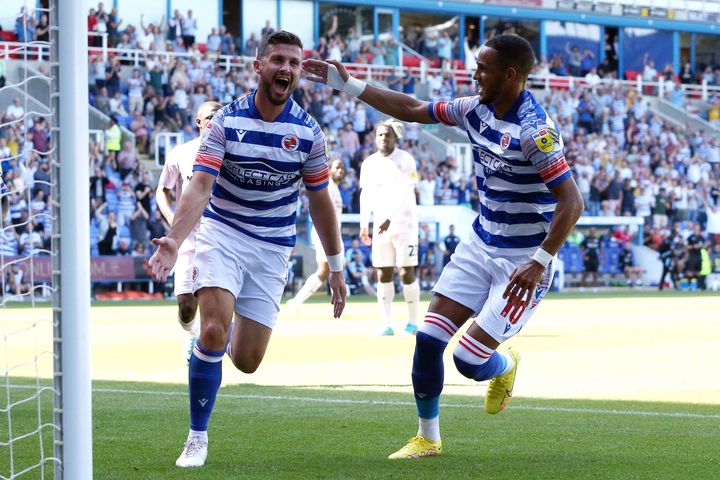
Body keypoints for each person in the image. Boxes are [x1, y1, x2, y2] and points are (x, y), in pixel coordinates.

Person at [303, 34, 583, 459]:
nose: (475, 74)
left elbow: (572, 201)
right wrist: (351, 85)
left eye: (483, 68)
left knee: (469, 361)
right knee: (429, 339)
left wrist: (541, 261)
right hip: (479, 243)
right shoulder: (474, 109)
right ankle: (427, 437)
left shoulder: (534, 132)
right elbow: (413, 109)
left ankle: (505, 366)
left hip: (522, 262)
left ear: (510, 75)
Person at [149, 31, 347, 468]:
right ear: (258, 66)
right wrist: (175, 240)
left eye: (294, 63)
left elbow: (320, 201)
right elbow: (199, 186)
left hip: (272, 246)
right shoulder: (225, 123)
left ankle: (203, 350)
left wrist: (335, 266)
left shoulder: (309, 133)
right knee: (215, 330)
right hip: (221, 234)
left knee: (247, 361)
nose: (287, 69)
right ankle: (196, 438)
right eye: (278, 60)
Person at [156, 101, 222, 363]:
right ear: (199, 122)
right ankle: (192, 331)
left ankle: (209, 345)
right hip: (187, 238)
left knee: (217, 300)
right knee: (185, 306)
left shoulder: (233, 153)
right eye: (210, 117)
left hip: (220, 235)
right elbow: (162, 191)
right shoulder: (181, 153)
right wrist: (174, 222)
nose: (215, 120)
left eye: (220, 116)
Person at [359, 120, 420, 336]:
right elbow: (365, 195)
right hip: (380, 227)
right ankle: (386, 324)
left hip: (405, 225)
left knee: (406, 272)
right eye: (380, 135)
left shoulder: (407, 160)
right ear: (375, 138)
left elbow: (407, 192)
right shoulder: (368, 164)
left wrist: (389, 218)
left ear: (396, 137)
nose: (384, 138)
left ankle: (413, 322)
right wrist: (364, 223)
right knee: (382, 273)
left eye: (388, 135)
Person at [286, 159, 346, 310]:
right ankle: (295, 302)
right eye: (337, 167)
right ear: (330, 170)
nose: (340, 170)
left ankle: (297, 302)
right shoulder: (327, 186)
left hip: (334, 234)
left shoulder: (335, 188)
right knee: (324, 270)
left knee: (329, 270)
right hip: (324, 234)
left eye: (342, 168)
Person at [580, 227, 602, 292]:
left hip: (595, 258)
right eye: (591, 231)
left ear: (595, 232)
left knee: (595, 273)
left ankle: (595, 288)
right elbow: (582, 248)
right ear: (589, 231)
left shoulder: (597, 239)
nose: (592, 232)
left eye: (593, 231)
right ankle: (582, 287)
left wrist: (601, 257)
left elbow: (601, 248)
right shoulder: (586, 239)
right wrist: (584, 256)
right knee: (585, 273)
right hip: (588, 258)